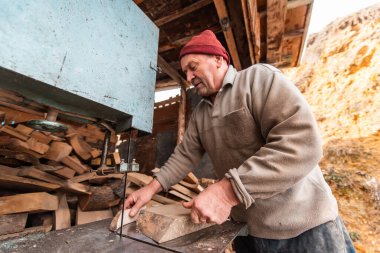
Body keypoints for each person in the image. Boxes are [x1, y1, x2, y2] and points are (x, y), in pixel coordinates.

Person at [125, 30, 356, 253]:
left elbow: (301, 142)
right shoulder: (201, 114)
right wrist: (150, 189)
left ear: (217, 59)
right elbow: (184, 155)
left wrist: (227, 192)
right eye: (185, 72)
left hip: (304, 228)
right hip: (248, 233)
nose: (188, 77)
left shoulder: (258, 79)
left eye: (193, 68)